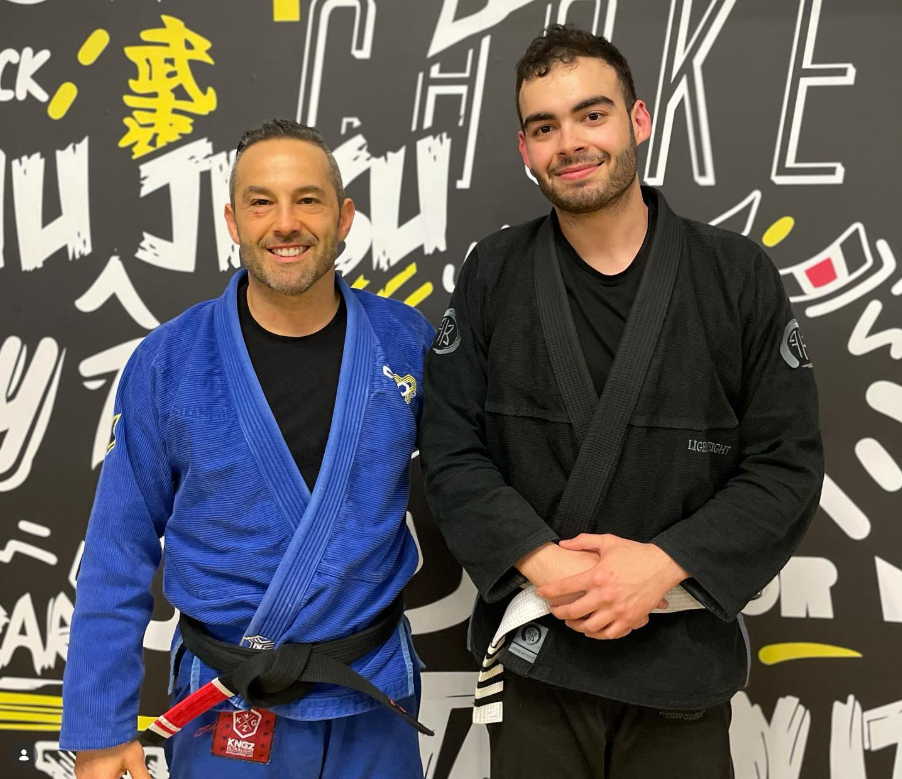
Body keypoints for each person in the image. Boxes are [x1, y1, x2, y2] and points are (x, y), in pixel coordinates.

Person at [420, 24, 824, 779]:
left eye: (592, 114)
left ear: (638, 121)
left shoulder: (735, 274)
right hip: (541, 655)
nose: (570, 141)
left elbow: (786, 464)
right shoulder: (493, 274)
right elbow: (450, 447)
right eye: (545, 126)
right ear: (525, 149)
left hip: (682, 663)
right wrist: (544, 564)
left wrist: (661, 566)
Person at [61, 119, 435, 779]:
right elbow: (118, 549)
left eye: (308, 199)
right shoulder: (170, 360)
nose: (285, 222)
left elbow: (476, 477)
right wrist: (99, 730)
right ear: (232, 221)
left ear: (344, 216)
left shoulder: (406, 342)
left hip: (368, 695)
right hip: (228, 701)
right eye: (261, 202)